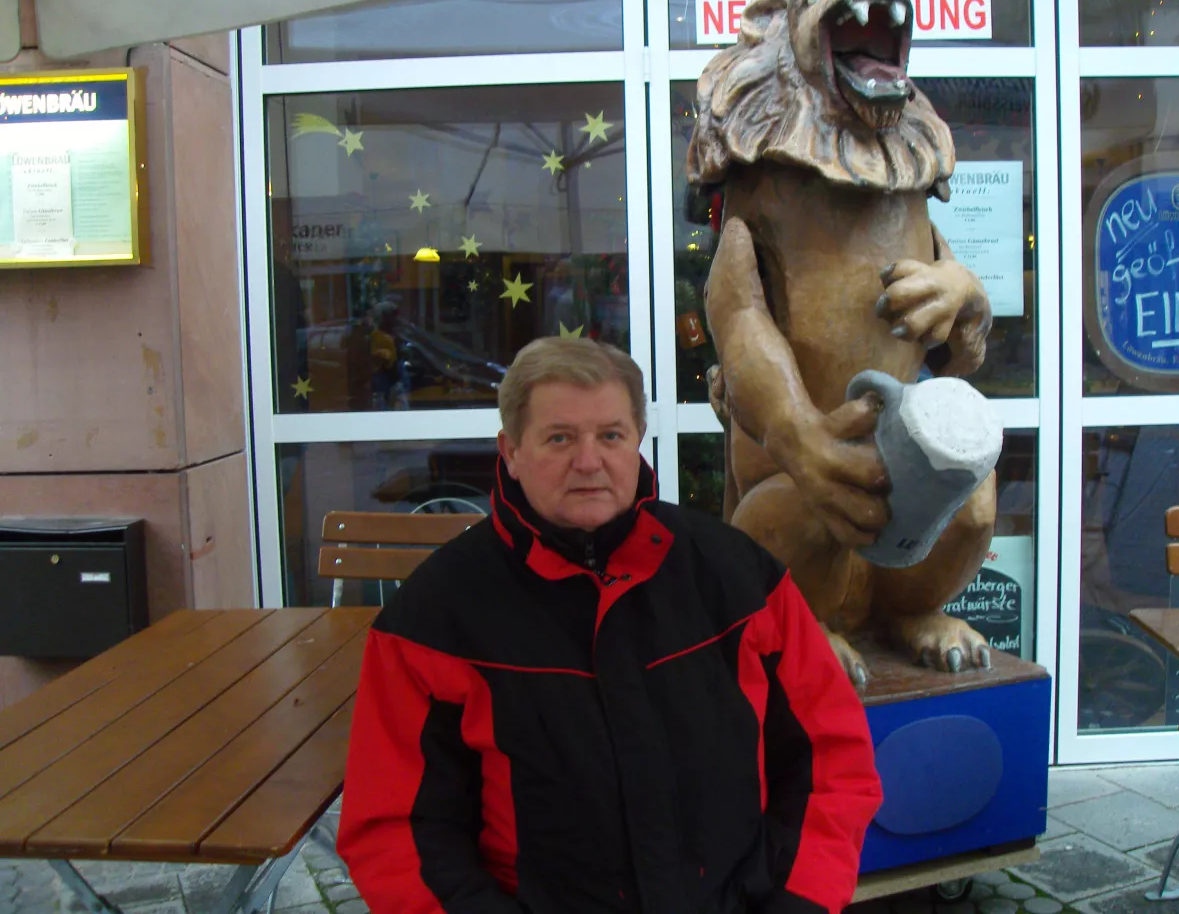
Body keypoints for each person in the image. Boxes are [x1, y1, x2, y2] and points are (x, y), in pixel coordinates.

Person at [336, 336, 883, 914]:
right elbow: (396, 832)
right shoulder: (434, 618)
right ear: (511, 451)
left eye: (611, 435)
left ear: (637, 439)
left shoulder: (737, 577)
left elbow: (832, 759)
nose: (588, 461)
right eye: (560, 438)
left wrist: (798, 903)